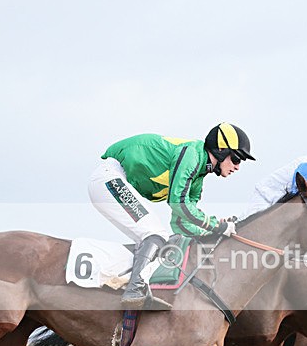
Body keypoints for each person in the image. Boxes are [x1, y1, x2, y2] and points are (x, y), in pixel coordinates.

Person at [88, 123, 255, 309]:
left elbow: (180, 223)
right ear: (221, 150)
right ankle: (134, 291)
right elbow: (178, 203)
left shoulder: (199, 177)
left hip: (117, 181)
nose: (238, 167)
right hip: (110, 177)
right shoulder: (192, 154)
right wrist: (217, 226)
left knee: (161, 237)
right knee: (154, 234)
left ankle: (123, 286)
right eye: (236, 159)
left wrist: (214, 232)